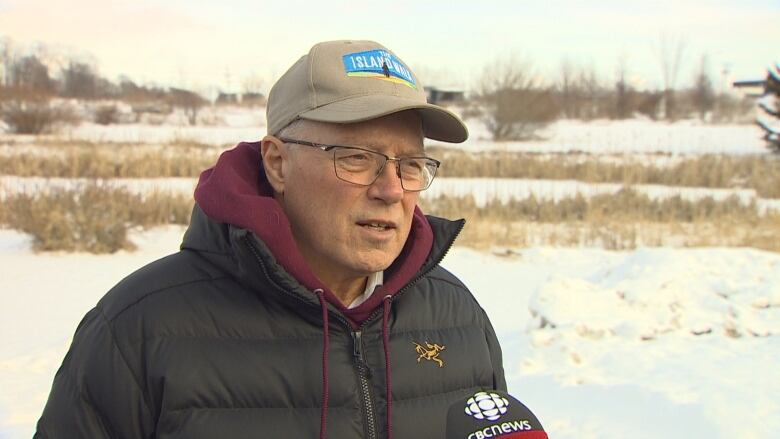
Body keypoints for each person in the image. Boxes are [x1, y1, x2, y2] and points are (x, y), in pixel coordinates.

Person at [35, 40, 505, 439]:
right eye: (358, 158)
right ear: (278, 163)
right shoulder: (139, 329)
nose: (391, 190)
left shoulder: (457, 318)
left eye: (411, 165)